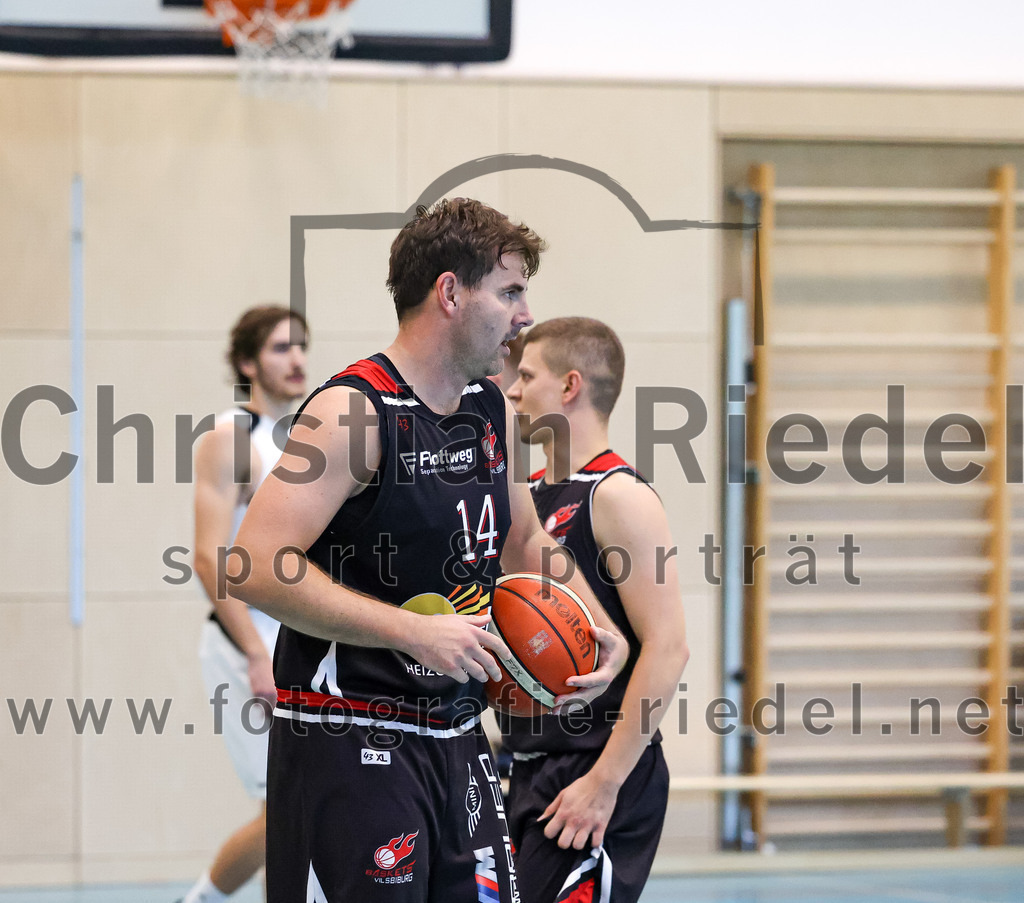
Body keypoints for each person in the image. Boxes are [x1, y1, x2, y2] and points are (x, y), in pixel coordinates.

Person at [229, 198, 628, 902]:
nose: (525, 313)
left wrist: (599, 625)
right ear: (450, 292)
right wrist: (412, 630)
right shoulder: (352, 412)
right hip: (349, 734)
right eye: (509, 291)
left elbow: (525, 537)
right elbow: (254, 565)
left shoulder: (490, 408)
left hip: (457, 734)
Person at [502, 317, 689, 903]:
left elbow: (669, 646)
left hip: (594, 767)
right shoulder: (526, 498)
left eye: (526, 376)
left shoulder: (618, 496)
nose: (512, 390)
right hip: (528, 765)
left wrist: (605, 782)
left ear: (569, 386)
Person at [182, 306, 309, 903]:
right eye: (283, 347)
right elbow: (210, 560)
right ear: (247, 362)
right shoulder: (230, 436)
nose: (298, 360)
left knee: (298, 808)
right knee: (285, 810)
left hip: (294, 647)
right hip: (244, 648)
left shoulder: (302, 442)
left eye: (302, 346)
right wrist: (257, 655)